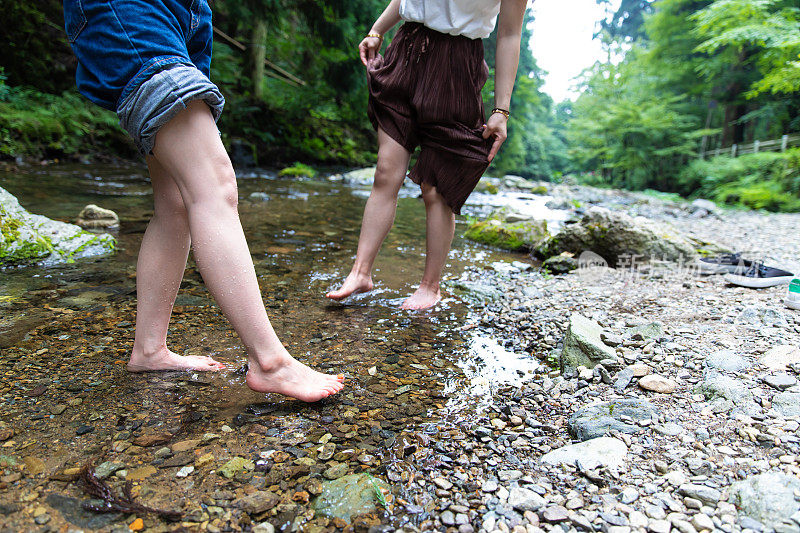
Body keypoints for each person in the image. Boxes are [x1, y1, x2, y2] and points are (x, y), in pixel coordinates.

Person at [63, 0, 344, 402]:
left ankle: (149, 349)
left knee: (176, 200)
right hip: (130, 6)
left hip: (188, 13)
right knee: (214, 183)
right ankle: (270, 362)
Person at [326, 0, 528, 310]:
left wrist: (501, 108)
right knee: (385, 171)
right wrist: (377, 30)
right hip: (406, 51)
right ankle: (360, 273)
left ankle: (430, 287)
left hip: (457, 68)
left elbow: (510, 34)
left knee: (437, 188)